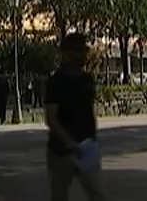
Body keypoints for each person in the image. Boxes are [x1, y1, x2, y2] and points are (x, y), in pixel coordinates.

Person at [45, 33, 105, 201]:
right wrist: (68, 142)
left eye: (84, 50)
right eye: (79, 51)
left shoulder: (87, 79)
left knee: (98, 194)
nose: (84, 55)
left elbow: (88, 111)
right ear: (67, 54)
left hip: (86, 149)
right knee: (59, 197)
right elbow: (51, 118)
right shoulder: (56, 82)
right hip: (61, 151)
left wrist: (92, 139)